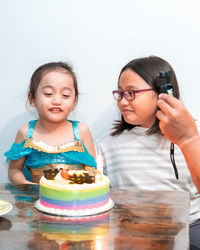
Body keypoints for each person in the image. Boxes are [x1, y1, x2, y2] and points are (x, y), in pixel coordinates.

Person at [96, 56, 200, 249]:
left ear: (162, 93)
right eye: (120, 93)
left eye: (131, 93)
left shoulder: (191, 138)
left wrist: (189, 139)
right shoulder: (106, 145)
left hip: (190, 226)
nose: (122, 101)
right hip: (133, 233)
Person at [5, 62, 96, 184]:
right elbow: (14, 170)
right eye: (48, 94)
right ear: (32, 99)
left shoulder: (81, 131)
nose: (57, 101)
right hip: (37, 199)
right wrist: (28, 186)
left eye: (65, 95)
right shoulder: (26, 133)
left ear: (74, 101)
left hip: (75, 200)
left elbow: (92, 169)